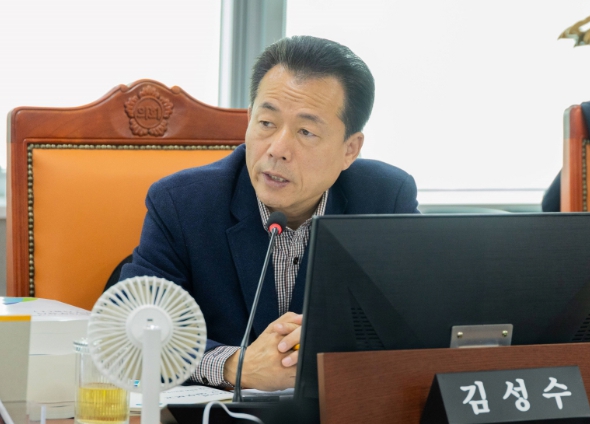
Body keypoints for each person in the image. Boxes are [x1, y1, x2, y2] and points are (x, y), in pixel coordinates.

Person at [119, 35, 420, 390]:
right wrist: (234, 366)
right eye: (266, 123)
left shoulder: (385, 199)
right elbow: (131, 333)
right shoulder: (183, 204)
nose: (278, 149)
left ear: (349, 150)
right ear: (249, 120)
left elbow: (422, 327)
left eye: (306, 131)